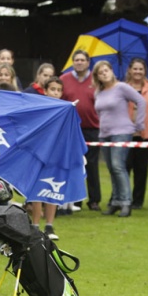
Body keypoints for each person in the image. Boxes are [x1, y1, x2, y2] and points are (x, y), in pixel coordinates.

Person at [92, 60, 146, 218]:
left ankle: (126, 202)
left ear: (112, 71)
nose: (104, 73)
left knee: (118, 166)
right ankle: (115, 201)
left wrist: (139, 122)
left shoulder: (121, 87)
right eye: (100, 72)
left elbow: (140, 100)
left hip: (122, 131)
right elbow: (100, 113)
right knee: (111, 168)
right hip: (104, 134)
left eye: (106, 70)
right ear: (98, 77)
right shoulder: (99, 92)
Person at [61, 49, 101, 211]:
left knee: (92, 165)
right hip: (71, 129)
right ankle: (75, 200)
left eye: (82, 60)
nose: (79, 62)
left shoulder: (96, 80)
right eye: (76, 60)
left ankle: (94, 200)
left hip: (92, 128)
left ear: (88, 62)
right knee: (74, 165)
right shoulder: (64, 79)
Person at [29, 75, 65, 240]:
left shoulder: (66, 110)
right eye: (52, 89)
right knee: (37, 190)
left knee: (53, 190)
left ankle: (49, 226)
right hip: (39, 155)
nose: (55, 93)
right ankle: (35, 225)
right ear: (45, 91)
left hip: (57, 156)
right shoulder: (38, 109)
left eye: (59, 90)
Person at [125, 57, 148, 209]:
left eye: (140, 69)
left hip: (145, 133)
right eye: (135, 68)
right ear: (130, 70)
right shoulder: (123, 87)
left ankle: (138, 201)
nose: (137, 72)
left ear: (145, 71)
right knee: (124, 167)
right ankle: (123, 197)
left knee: (141, 169)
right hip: (126, 133)